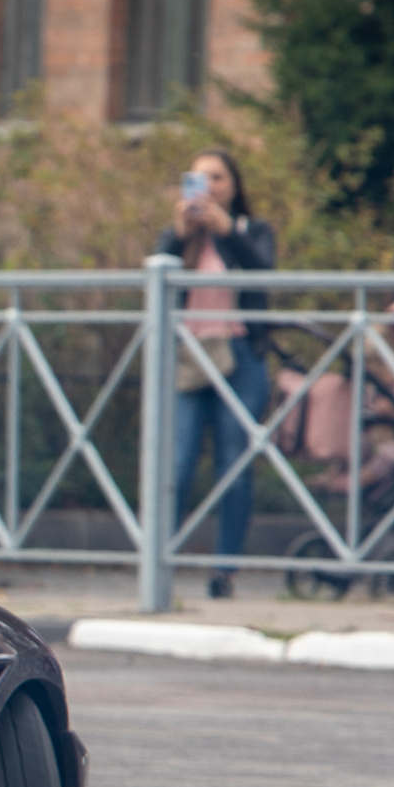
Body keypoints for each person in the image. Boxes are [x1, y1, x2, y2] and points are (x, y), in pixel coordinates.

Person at [156, 148, 274, 598]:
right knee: (180, 460)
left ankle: (225, 569)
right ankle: (162, 560)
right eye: (199, 177)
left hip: (239, 353)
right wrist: (178, 235)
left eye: (217, 177)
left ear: (234, 186)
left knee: (234, 463)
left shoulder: (252, 231)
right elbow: (154, 282)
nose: (207, 186)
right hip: (189, 355)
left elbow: (265, 275)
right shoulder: (181, 236)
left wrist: (227, 232)